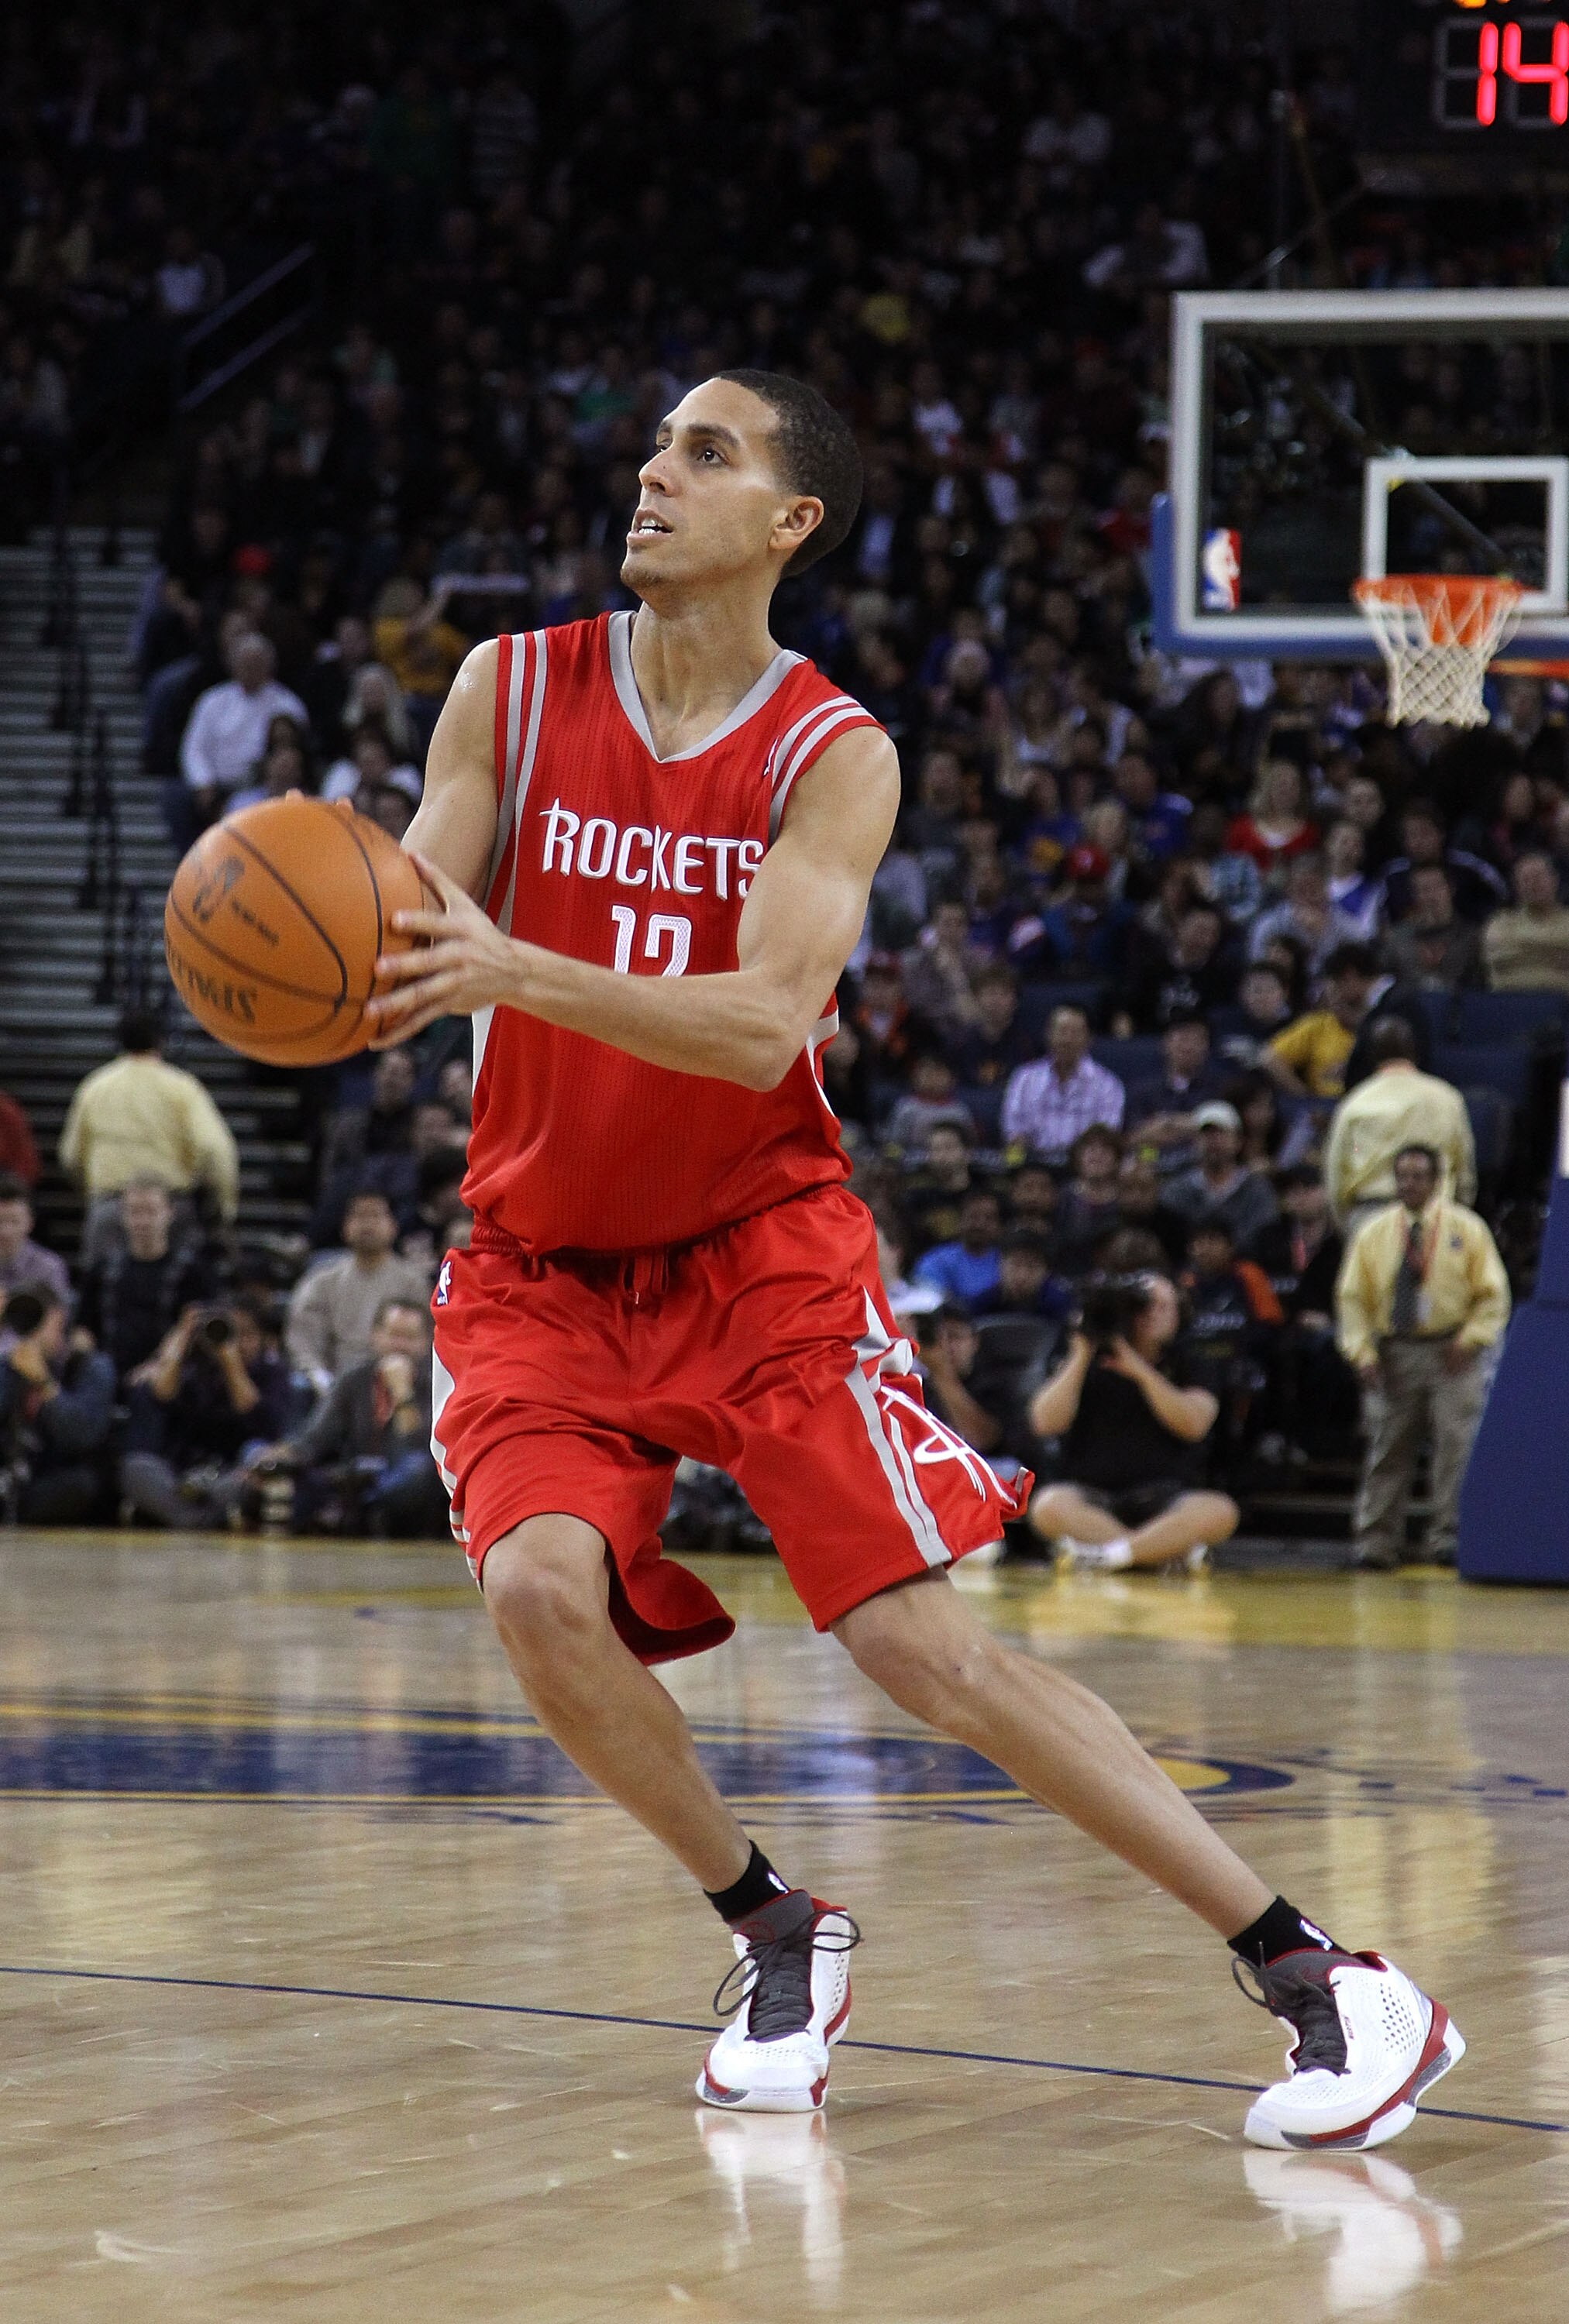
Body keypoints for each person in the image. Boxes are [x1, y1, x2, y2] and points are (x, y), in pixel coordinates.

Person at [360, 366, 1459, 2149]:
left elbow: (762, 1019)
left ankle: (1317, 1968)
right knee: (540, 1591)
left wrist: (517, 972)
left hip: (757, 1251)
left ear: (789, 519)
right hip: (541, 1260)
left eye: (702, 454)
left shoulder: (831, 749)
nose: (652, 474)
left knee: (916, 1646)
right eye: (653, 446)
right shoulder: (510, 685)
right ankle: (770, 1922)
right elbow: (404, 935)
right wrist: (315, 960)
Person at [1336, 1144, 1510, 1570]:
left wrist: (1472, 1339)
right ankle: (1376, 1542)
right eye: (1402, 1176)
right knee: (1388, 1446)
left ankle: (1447, 1538)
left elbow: (1493, 1293)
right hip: (1395, 1350)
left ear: (1435, 1181)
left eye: (1418, 1176)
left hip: (1453, 1350)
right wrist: (1361, 1352)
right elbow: (1353, 1299)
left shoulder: (1466, 1229)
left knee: (1456, 1447)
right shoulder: (1374, 1232)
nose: (1409, 1184)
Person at [1027, 1274, 1239, 1572]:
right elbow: (1044, 1423)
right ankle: (1158, 1553)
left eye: (1164, 1307)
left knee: (1220, 1511)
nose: (1152, 1314)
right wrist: (1081, 1353)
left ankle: (1109, 1556)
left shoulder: (1193, 1362)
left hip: (1167, 1498)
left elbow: (1194, 1424)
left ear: (1180, 1316)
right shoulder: (1083, 1358)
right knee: (1047, 1506)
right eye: (1142, 1307)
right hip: (1092, 1496)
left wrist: (1138, 1368)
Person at [246, 1298, 446, 1537]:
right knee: (254, 1450)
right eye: (393, 1335)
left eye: (410, 1338)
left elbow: (421, 1450)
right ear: (376, 1336)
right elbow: (316, 1438)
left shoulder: (437, 1382)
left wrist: (403, 1393)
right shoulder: (355, 1379)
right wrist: (278, 1455)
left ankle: (370, 1513)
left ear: (427, 1342)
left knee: (418, 1469)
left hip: (409, 1487)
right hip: (354, 1479)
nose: (400, 1346)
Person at [59, 1010, 240, 1264]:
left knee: (104, 1295)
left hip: (111, 1207)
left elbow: (71, 1157)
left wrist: (96, 1197)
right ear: (161, 1041)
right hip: (169, 1209)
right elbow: (215, 1150)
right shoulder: (181, 1087)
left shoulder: (96, 1087)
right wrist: (222, 1208)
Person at [120, 1296, 294, 1529]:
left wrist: (230, 1361)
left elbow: (259, 1417)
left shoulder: (272, 1374)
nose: (237, 1342)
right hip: (183, 1476)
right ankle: (202, 1519)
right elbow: (161, 1396)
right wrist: (182, 1337)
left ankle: (187, 1518)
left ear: (262, 1338)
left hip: (235, 1473)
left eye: (247, 1334)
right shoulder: (194, 1370)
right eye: (230, 1332)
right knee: (135, 1467)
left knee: (256, 1463)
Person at [1323, 1018, 1475, 1237]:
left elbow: (1336, 1173)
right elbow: (1465, 1169)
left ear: (1372, 1055)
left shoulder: (1355, 1103)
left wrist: (1347, 1226)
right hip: (1436, 1214)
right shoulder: (1448, 1098)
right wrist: (1458, 1214)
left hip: (1371, 1216)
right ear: (1415, 1051)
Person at [285, 1189, 432, 1397]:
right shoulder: (321, 1281)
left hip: (402, 1383)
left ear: (393, 1225)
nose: (367, 1224)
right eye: (359, 1216)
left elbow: (428, 1339)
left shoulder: (414, 1283)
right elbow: (303, 1340)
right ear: (345, 1225)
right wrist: (319, 1376)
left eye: (376, 1216)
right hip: (334, 1385)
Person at [175, 631, 310, 844]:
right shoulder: (213, 701)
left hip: (267, 786)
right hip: (219, 787)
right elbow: (194, 749)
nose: (250, 670)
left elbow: (297, 751)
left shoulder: (287, 704)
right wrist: (203, 783)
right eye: (245, 664)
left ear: (269, 666)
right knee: (178, 799)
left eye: (257, 663)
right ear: (233, 665)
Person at [75, 1179, 215, 1383]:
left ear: (169, 1213)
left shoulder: (194, 1271)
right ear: (123, 1216)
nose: (143, 1221)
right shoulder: (102, 1270)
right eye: (135, 1212)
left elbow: (198, 1328)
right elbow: (84, 1327)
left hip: (172, 1373)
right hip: (108, 1371)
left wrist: (160, 1365)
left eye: (151, 1211)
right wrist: (82, 1360)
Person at [0, 1283, 115, 1522]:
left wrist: (44, 1383)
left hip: (57, 1477)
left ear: (60, 1318)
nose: (31, 1330)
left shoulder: (90, 1366)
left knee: (80, 1484)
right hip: (11, 1477)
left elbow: (82, 1435)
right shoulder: (8, 1365)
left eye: (38, 1319)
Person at [1001, 1003, 1125, 1163]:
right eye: (1062, 1031)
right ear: (1048, 1035)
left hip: (1084, 1167)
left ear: (1089, 1039)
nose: (1067, 1040)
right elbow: (1013, 1132)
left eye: (1075, 1033)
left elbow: (1107, 1137)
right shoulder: (1024, 1079)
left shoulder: (1108, 1085)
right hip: (1034, 1166)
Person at [1261, 943, 1379, 1103]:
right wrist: (1305, 1098)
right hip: (1325, 1104)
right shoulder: (1318, 1025)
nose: (1337, 999)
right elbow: (1269, 1058)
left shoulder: (1379, 1025)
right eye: (1332, 994)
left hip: (1370, 1102)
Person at [1165, 1102, 1278, 1250]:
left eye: (1221, 1134)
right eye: (1207, 1134)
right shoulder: (1177, 1190)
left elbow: (1263, 1234)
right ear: (1195, 1141)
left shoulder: (1257, 1189)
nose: (1214, 1141)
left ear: (1238, 1141)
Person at [1382, 865, 1481, 992]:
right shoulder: (1398, 937)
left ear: (1451, 889)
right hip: (1409, 1006)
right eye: (1423, 890)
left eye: (1437, 887)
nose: (1431, 896)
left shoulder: (1471, 935)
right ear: (1414, 895)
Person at [1481, 850, 1569, 992]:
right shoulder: (1501, 923)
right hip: (1510, 1003)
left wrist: (1523, 952)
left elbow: (1512, 956)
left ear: (1554, 879)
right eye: (1526, 879)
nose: (1533, 884)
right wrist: (1557, 953)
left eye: (1539, 877)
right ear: (1516, 886)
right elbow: (1497, 957)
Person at [911, 1186, 1003, 1309]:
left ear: (999, 1225)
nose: (980, 1225)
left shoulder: (1006, 1260)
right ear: (960, 1221)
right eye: (974, 1217)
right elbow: (928, 1299)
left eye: (989, 1218)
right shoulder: (936, 1260)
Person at [0, 1173, 71, 1308]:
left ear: (30, 1222)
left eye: (14, 1221)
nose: (5, 1231)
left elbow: (56, 1321)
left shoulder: (49, 1268)